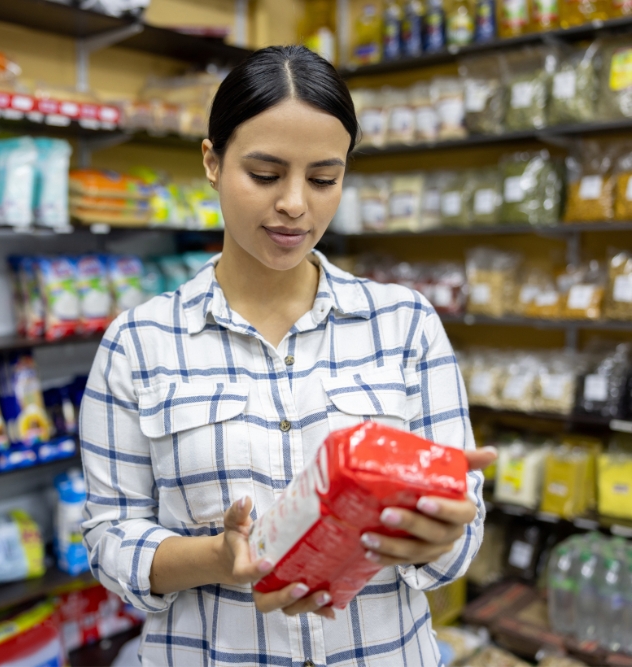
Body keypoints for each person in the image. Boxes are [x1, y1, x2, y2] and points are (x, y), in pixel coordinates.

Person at [79, 45, 495, 667]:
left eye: (324, 178)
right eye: (266, 175)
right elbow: (112, 541)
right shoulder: (138, 342)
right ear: (212, 162)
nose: (296, 204)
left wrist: (439, 534)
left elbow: (459, 544)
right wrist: (217, 559)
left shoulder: (404, 324)